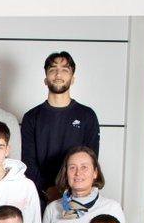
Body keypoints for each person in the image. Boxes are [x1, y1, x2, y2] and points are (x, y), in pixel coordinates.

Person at [21, 51, 100, 208]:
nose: (58, 74)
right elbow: (28, 162)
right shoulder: (31, 117)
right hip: (41, 197)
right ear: (45, 79)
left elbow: (90, 159)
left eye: (65, 69)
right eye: (53, 69)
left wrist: (70, 189)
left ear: (73, 78)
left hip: (77, 195)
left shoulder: (87, 115)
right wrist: (48, 190)